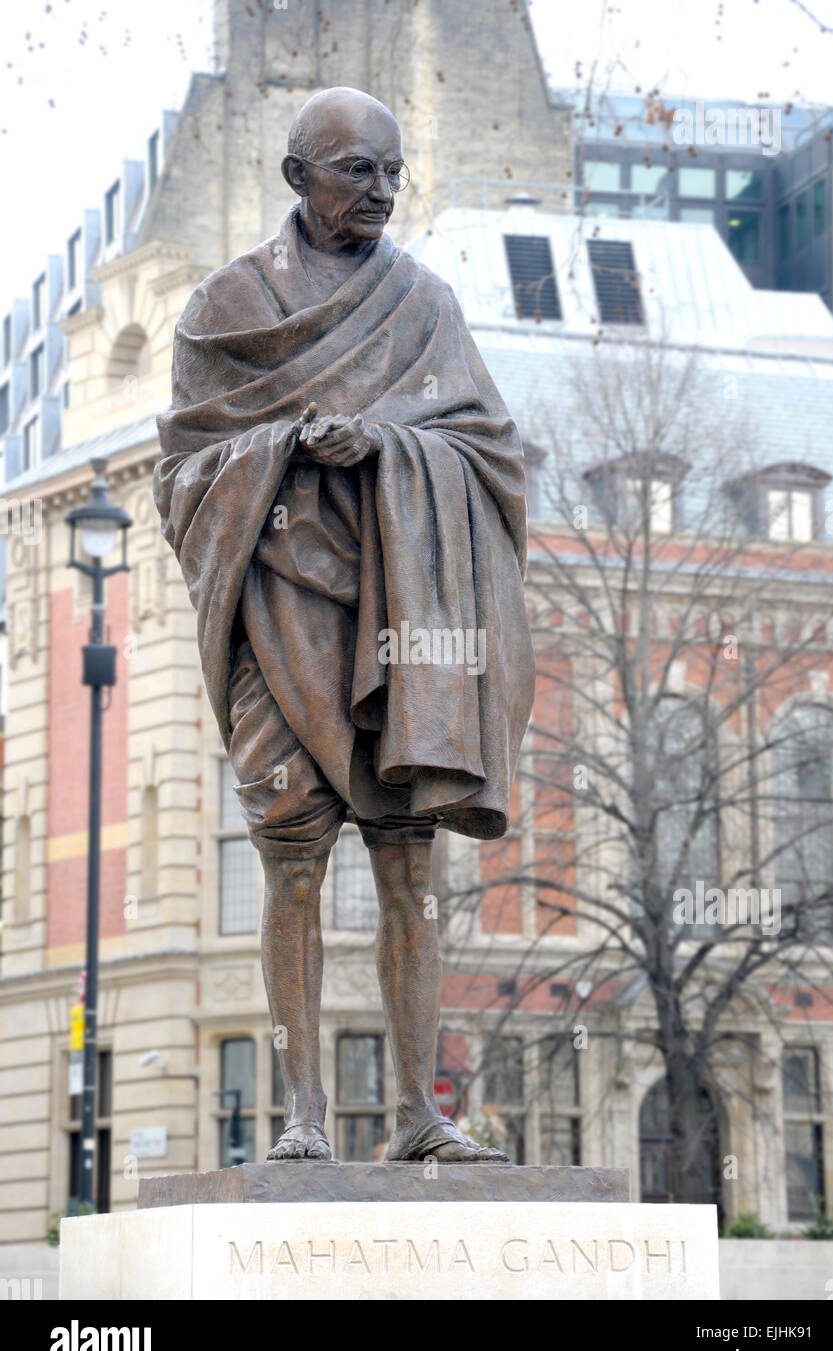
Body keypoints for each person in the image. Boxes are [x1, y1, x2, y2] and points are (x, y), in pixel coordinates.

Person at [154, 87, 535, 1162]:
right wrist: (279, 452)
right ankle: (303, 1117)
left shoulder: (426, 305)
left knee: (410, 865)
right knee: (293, 860)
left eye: (390, 171)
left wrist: (386, 447)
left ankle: (420, 1112)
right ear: (295, 176)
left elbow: (492, 456)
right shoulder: (225, 309)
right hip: (278, 616)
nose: (377, 190)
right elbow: (178, 475)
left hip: (400, 623)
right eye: (353, 170)